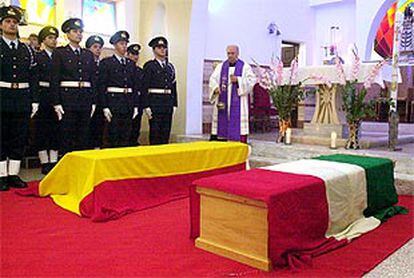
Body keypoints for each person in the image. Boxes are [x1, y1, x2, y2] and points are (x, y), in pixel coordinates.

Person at [0, 6, 39, 190]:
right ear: (1, 25)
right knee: (1, 136)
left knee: (18, 137)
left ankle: (13, 174)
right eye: (8, 21)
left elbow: (33, 77)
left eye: (15, 22)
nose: (12, 25)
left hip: (22, 98)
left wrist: (34, 101)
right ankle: (1, 175)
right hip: (2, 96)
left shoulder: (27, 50)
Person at [51, 18, 97, 155]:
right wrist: (56, 102)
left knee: (83, 134)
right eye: (75, 31)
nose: (78, 34)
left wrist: (93, 100)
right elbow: (55, 79)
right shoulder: (60, 53)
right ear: (67, 34)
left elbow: (93, 78)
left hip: (85, 98)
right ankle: (67, 165)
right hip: (68, 98)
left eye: (80, 31)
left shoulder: (87, 54)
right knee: (67, 134)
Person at [98, 31, 140, 147]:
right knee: (112, 135)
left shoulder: (131, 64)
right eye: (121, 43)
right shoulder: (107, 63)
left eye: (126, 44)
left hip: (128, 102)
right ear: (115, 45)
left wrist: (135, 105)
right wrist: (105, 106)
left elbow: (135, 87)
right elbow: (102, 86)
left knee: (126, 135)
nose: (124, 46)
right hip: (114, 102)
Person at [209, 45, 256, 143]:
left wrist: (238, 80)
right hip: (223, 101)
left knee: (237, 122)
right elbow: (212, 79)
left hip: (238, 102)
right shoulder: (221, 66)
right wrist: (215, 88)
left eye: (232, 53)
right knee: (221, 122)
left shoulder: (244, 67)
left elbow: (252, 81)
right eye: (228, 53)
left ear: (237, 54)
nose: (230, 56)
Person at [142, 36, 177, 145]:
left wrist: (175, 103)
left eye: (164, 47)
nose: (163, 50)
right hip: (155, 102)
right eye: (159, 47)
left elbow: (173, 86)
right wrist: (146, 106)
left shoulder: (170, 66)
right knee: (155, 133)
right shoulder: (149, 66)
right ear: (154, 49)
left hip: (167, 102)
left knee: (165, 132)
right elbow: (144, 87)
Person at [35, 26, 60, 175]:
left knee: (56, 129)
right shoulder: (38, 56)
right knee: (42, 130)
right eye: (50, 37)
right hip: (43, 94)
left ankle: (54, 160)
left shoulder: (59, 56)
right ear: (43, 40)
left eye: (55, 37)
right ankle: (45, 161)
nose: (54, 40)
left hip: (57, 95)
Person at [85, 35, 104, 149]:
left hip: (100, 101)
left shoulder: (103, 64)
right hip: (87, 100)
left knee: (99, 128)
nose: (98, 49)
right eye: (95, 46)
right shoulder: (84, 64)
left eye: (100, 47)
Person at [127, 43, 144, 145]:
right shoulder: (125, 69)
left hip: (138, 101)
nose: (135, 57)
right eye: (133, 54)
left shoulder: (140, 71)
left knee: (136, 126)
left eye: (137, 54)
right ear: (128, 54)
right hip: (127, 101)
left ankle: (134, 142)